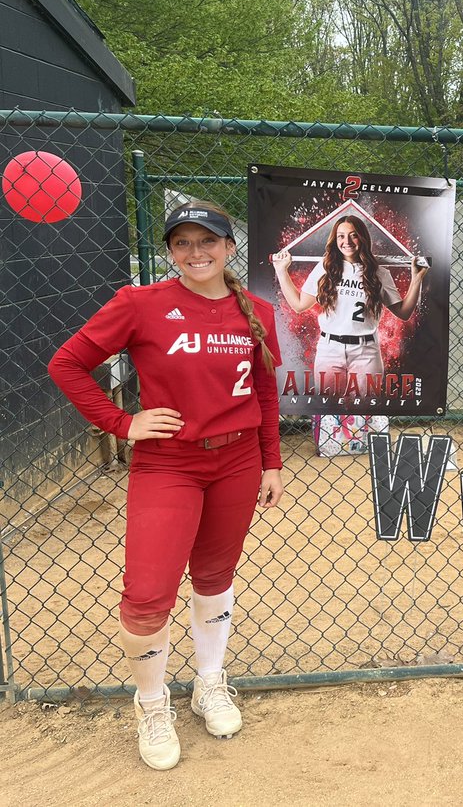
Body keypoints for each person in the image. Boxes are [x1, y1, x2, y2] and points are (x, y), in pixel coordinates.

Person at [48, 202, 285, 771]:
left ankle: (209, 683)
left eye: (208, 241)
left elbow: (264, 392)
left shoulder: (256, 310)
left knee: (214, 577)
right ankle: (152, 705)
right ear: (170, 251)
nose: (196, 252)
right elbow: (67, 364)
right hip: (168, 464)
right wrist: (121, 423)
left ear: (229, 247)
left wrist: (270, 461)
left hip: (237, 462)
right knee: (148, 596)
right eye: (183, 242)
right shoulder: (141, 304)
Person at [271, 214, 428, 397]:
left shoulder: (379, 273)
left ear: (362, 238)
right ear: (335, 240)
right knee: (329, 407)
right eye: (341, 236)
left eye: (353, 235)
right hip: (329, 349)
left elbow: (403, 312)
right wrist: (281, 271)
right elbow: (299, 305)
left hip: (366, 351)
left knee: (365, 408)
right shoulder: (325, 267)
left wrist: (416, 279)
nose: (347, 241)